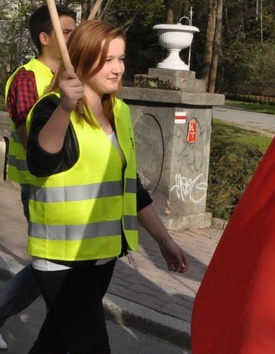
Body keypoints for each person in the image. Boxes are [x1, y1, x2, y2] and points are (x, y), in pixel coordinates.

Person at [26, 20, 189, 353]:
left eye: (121, 58)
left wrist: (164, 240)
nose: (118, 69)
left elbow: (132, 188)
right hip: (63, 256)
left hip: (102, 254)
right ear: (83, 59)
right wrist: (66, 108)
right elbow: (40, 161)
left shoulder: (120, 112)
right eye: (108, 60)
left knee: (54, 343)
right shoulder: (52, 108)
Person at [0, 4, 76, 350]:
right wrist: (56, 99)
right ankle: (0, 310)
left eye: (75, 31)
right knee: (55, 265)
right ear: (44, 38)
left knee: (63, 264)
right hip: (40, 185)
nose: (73, 37)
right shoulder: (25, 78)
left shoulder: (75, 75)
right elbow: (28, 139)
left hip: (75, 184)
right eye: (66, 32)